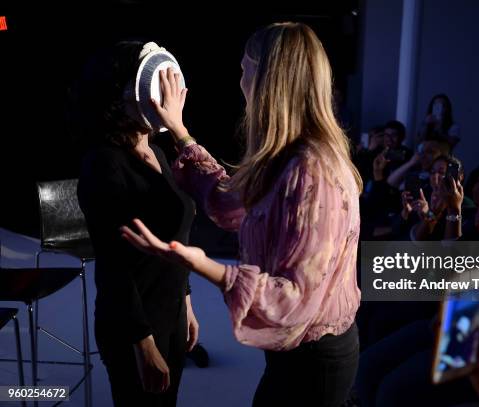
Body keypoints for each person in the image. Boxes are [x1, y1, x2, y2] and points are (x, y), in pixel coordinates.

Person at [121, 22, 362, 407]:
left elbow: (294, 300)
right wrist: (180, 132)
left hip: (315, 361)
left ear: (270, 81)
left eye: (245, 70)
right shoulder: (284, 156)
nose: (240, 81)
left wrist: (204, 265)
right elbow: (228, 202)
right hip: (295, 356)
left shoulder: (313, 172)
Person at [77, 41, 199, 406]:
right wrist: (143, 344)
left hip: (170, 309)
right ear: (123, 96)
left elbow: (176, 232)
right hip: (134, 324)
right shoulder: (104, 164)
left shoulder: (158, 153)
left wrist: (186, 300)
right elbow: (114, 263)